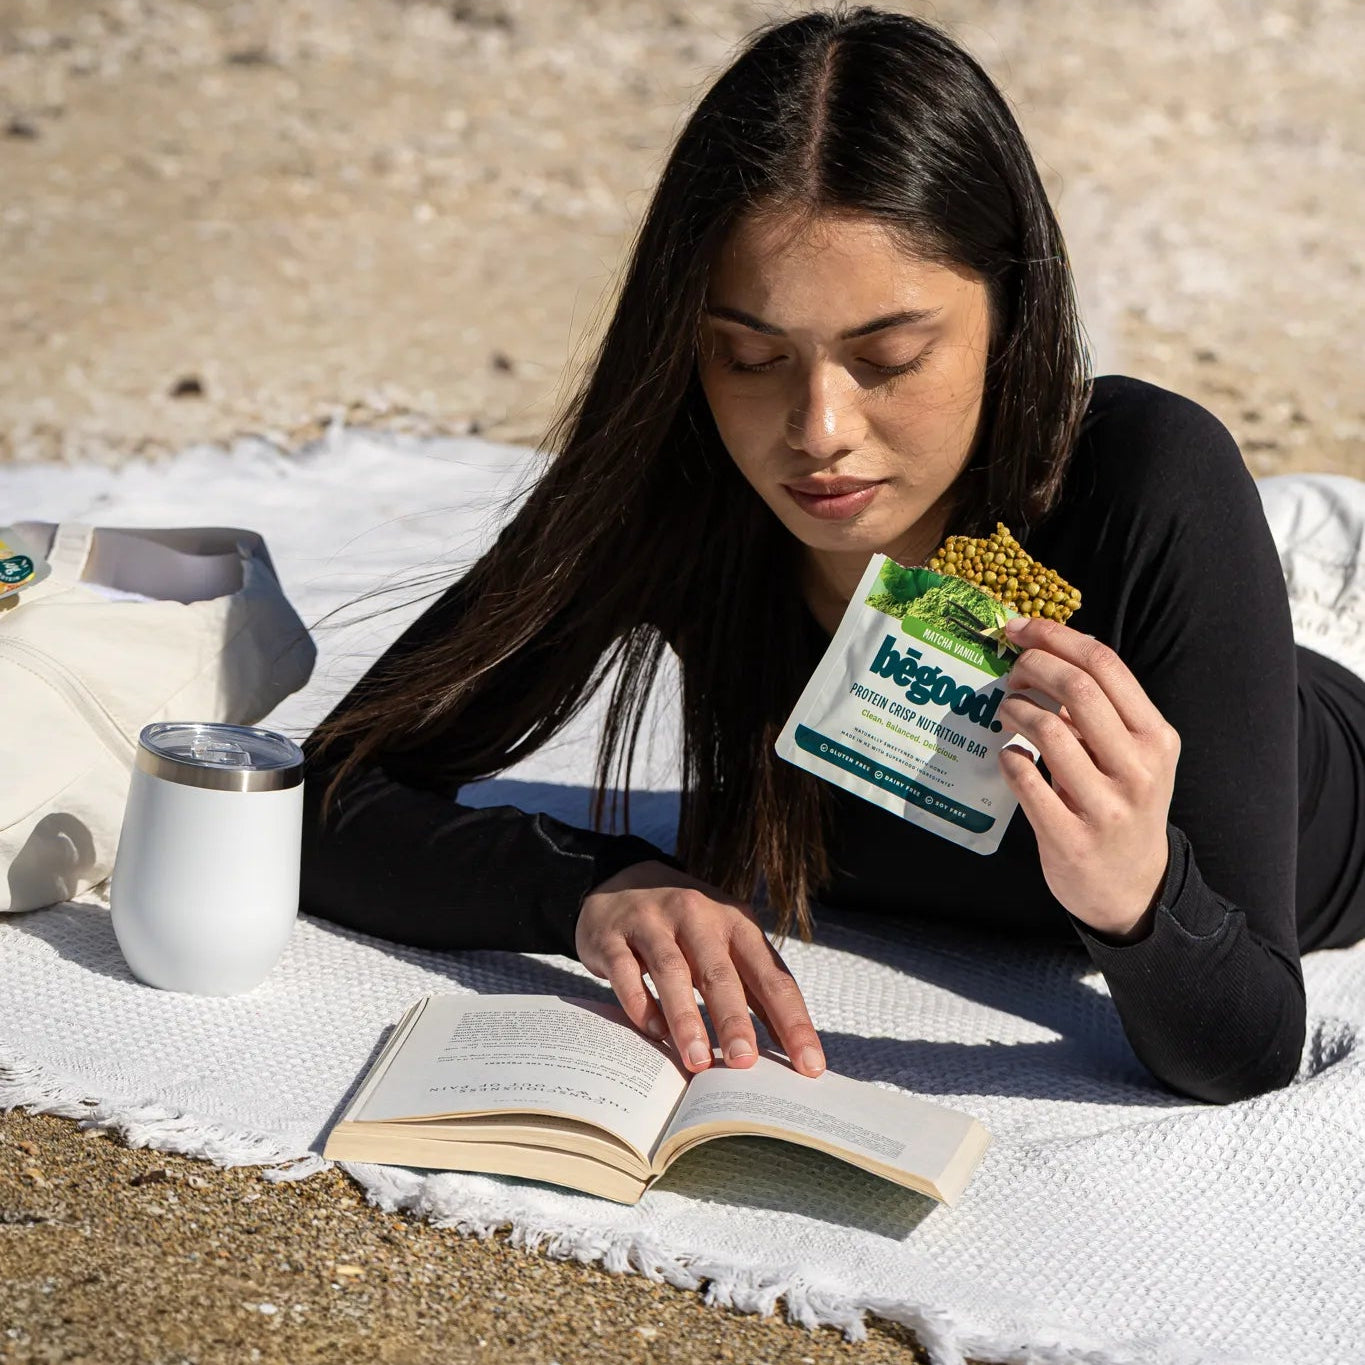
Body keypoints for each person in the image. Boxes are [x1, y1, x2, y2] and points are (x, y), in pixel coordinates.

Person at [299, 4, 1365, 1106]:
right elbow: (322, 797)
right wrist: (590, 885)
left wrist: (1137, 892)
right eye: (751, 356)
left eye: (889, 356)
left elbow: (1244, 1042)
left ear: (1014, 312)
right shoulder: (687, 481)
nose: (817, 430)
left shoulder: (1144, 475)